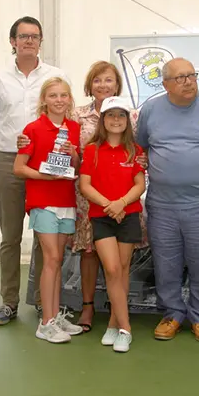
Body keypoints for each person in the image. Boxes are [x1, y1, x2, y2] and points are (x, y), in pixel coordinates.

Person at [18, 61, 147, 331]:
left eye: (108, 80)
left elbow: (138, 151)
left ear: (117, 84)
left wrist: (141, 164)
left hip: (122, 199)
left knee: (119, 262)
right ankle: (85, 309)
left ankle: (117, 316)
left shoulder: (133, 116)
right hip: (82, 195)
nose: (103, 85)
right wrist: (25, 143)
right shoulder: (76, 116)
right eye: (97, 80)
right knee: (88, 251)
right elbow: (54, 143)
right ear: (89, 85)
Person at [136, 58, 199, 343]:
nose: (188, 81)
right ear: (165, 84)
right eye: (180, 78)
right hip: (163, 204)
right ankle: (172, 314)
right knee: (166, 264)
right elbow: (141, 147)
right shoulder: (151, 110)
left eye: (191, 75)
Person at [0, 16, 69, 326]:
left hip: (45, 163)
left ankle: (41, 300)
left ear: (40, 41)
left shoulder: (55, 76)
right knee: (10, 236)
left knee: (43, 235)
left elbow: (62, 114)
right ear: (13, 42)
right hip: (9, 160)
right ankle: (8, 302)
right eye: (23, 36)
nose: (29, 41)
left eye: (35, 36)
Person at [13, 77, 83, 343]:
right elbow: (19, 168)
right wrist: (47, 177)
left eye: (64, 95)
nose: (59, 100)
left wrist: (74, 153)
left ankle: (55, 316)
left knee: (59, 261)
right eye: (53, 95)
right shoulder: (32, 128)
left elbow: (75, 168)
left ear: (70, 99)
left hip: (67, 201)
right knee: (52, 259)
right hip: (42, 201)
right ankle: (46, 323)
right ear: (44, 100)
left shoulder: (73, 128)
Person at [79, 96, 146, 352]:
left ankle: (112, 324)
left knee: (122, 269)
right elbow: (85, 185)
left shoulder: (135, 150)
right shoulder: (93, 149)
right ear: (103, 120)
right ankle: (126, 328)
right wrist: (110, 204)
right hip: (102, 217)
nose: (116, 120)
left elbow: (139, 184)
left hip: (127, 216)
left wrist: (121, 203)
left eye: (121, 116)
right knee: (112, 269)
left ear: (127, 121)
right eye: (111, 115)